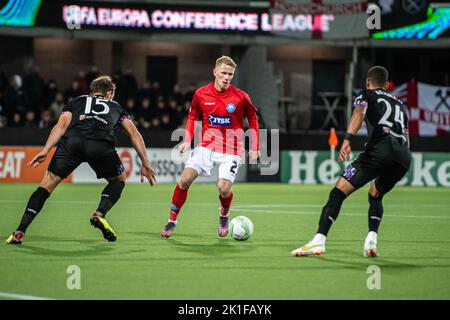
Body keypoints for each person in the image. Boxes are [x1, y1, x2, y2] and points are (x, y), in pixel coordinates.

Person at [6, 76, 156, 245]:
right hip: (100, 145)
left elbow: (61, 126)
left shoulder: (77, 101)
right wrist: (146, 163)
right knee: (118, 181)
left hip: (73, 143)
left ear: (92, 92)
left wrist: (46, 149)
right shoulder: (116, 106)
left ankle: (19, 231)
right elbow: (134, 134)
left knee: (46, 185)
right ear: (108, 94)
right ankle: (99, 214)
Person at [291, 66, 411, 257]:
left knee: (338, 192)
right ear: (387, 85)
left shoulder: (366, 94)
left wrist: (347, 139)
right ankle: (371, 239)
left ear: (367, 82)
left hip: (379, 150)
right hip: (403, 157)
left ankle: (318, 241)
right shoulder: (401, 105)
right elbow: (406, 136)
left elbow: (359, 113)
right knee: (375, 194)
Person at [160, 56, 260, 238]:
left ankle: (224, 215)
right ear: (215, 72)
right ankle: (172, 221)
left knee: (223, 188)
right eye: (223, 73)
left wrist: (255, 146)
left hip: (232, 149)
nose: (226, 77)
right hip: (206, 146)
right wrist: (187, 139)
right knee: (184, 180)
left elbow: (253, 119)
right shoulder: (200, 94)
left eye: (230, 74)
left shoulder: (241, 97)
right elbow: (192, 117)